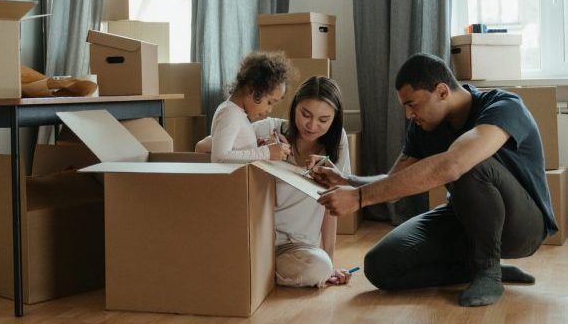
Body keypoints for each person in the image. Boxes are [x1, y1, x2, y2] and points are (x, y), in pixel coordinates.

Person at [312, 53, 556, 306]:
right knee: (380, 266)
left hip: (523, 227)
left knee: (468, 163)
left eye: (413, 104)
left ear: (441, 91)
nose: (408, 115)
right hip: (465, 219)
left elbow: (454, 164)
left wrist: (359, 198)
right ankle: (475, 268)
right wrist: (348, 181)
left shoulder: (504, 106)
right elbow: (394, 183)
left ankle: (488, 271)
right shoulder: (423, 127)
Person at [200, 74, 354, 287]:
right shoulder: (269, 129)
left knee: (320, 268)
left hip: (297, 248)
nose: (311, 126)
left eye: (323, 120)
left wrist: (330, 261)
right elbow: (203, 146)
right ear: (294, 107)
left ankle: (251, 272)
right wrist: (260, 150)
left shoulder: (338, 144)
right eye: (305, 114)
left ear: (334, 119)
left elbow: (332, 205)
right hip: (256, 239)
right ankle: (252, 270)